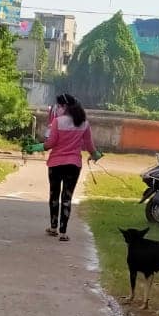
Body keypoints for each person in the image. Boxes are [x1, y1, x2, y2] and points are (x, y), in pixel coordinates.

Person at [43, 93, 98, 241]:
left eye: (59, 106)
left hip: (55, 164)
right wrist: (95, 155)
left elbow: (50, 143)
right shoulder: (84, 123)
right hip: (74, 165)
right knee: (67, 197)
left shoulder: (57, 122)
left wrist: (42, 146)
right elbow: (89, 145)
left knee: (54, 195)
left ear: (64, 106)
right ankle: (63, 232)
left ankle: (53, 227)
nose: (58, 108)